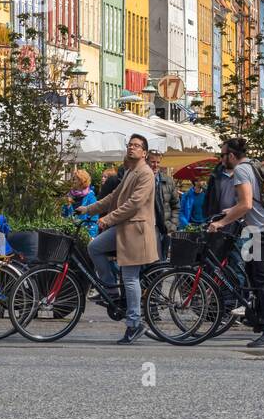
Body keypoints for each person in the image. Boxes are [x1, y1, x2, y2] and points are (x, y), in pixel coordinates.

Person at [79, 134, 156, 345]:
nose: (132, 148)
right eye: (130, 145)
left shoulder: (145, 173)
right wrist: (88, 209)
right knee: (94, 247)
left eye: (137, 145)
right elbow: (112, 197)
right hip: (124, 228)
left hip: (136, 230)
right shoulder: (131, 172)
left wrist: (108, 219)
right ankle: (111, 292)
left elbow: (134, 203)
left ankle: (134, 323)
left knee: (130, 277)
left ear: (144, 153)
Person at [208, 137, 264, 348]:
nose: (221, 159)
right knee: (252, 273)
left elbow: (247, 204)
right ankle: (257, 317)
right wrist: (230, 211)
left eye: (222, 155)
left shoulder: (240, 170)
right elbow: (248, 203)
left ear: (231, 155)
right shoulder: (253, 165)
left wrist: (221, 222)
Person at [148, 151, 180, 235]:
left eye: (158, 162)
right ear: (146, 162)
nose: (155, 165)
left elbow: (176, 206)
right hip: (147, 228)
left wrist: (172, 226)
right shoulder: (141, 180)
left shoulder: (169, 181)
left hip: (165, 229)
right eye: (152, 162)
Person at [64, 169, 99, 239]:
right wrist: (67, 205)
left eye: (75, 179)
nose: (73, 181)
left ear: (82, 181)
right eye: (73, 179)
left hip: (84, 233)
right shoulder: (69, 194)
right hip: (69, 232)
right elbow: (64, 214)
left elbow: (94, 218)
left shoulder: (90, 197)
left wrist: (91, 236)